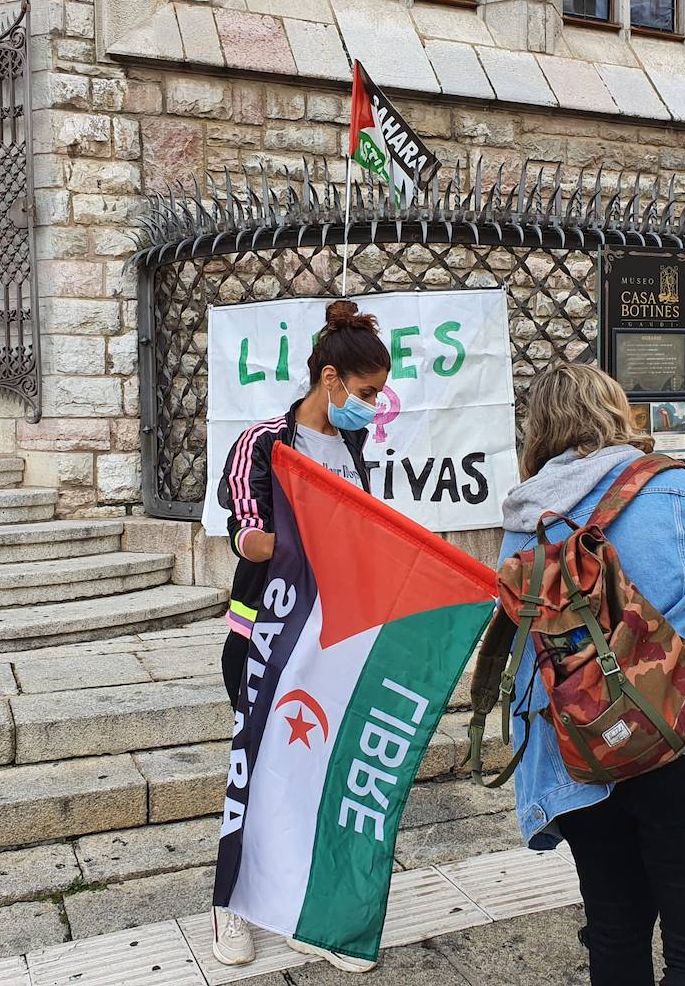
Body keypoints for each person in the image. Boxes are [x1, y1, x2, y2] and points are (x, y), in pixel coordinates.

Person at [499, 363, 685, 986]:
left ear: (538, 430)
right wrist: (682, 662)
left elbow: (529, 654)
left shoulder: (523, 522)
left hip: (584, 754)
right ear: (617, 414)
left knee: (615, 937)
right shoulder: (680, 489)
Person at [211, 299, 391, 972]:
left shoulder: (351, 445)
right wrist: (293, 536)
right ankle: (230, 904)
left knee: (312, 767)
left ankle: (297, 907)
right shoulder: (265, 442)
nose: (373, 407)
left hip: (333, 636)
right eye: (367, 393)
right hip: (266, 632)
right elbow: (246, 533)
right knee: (253, 764)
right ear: (329, 380)